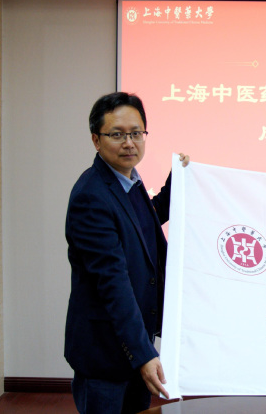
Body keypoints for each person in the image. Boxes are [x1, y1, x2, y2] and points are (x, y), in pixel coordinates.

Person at [64, 92, 188, 414]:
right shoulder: (91, 196)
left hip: (134, 342)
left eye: (136, 133)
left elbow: (144, 221)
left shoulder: (127, 179)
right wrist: (143, 353)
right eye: (117, 134)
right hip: (105, 352)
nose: (129, 143)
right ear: (96, 140)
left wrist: (180, 180)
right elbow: (112, 282)